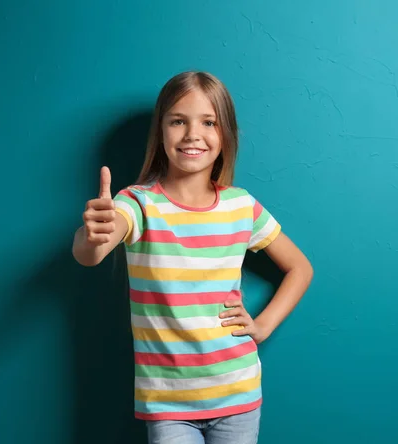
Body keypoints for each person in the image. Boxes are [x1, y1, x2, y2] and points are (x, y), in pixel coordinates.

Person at [72, 71, 314, 444]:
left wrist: (263, 326)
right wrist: (92, 235)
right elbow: (92, 253)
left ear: (225, 134)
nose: (192, 135)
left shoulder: (241, 206)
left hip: (238, 393)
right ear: (161, 130)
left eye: (208, 122)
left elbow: (300, 268)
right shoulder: (136, 203)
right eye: (178, 121)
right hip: (169, 404)